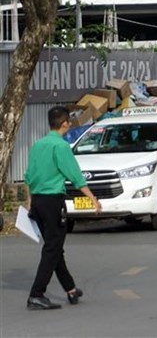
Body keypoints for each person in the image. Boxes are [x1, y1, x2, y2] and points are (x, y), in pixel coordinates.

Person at [24, 106, 101, 310]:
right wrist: (93, 199)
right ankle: (36, 294)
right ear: (65, 123)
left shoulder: (37, 145)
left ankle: (70, 289)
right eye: (69, 122)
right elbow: (75, 176)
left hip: (39, 202)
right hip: (53, 202)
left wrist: (30, 200)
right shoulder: (61, 146)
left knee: (54, 246)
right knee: (52, 248)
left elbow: (29, 177)